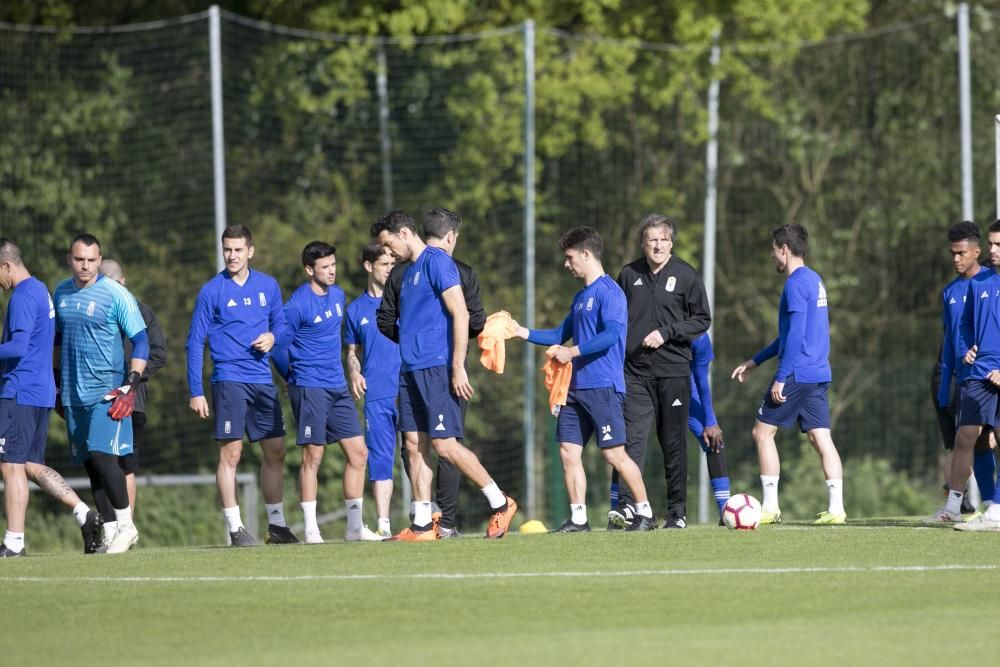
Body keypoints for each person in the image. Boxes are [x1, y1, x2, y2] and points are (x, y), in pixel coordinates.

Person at [370, 209, 516, 540]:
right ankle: (422, 525)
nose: (388, 252)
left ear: (405, 233)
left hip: (436, 367)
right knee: (412, 444)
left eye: (389, 244)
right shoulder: (407, 274)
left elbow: (461, 313)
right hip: (410, 370)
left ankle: (500, 501)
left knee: (445, 446)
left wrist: (457, 366)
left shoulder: (437, 262)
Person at [511, 226, 657, 532]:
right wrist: (519, 331)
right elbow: (557, 334)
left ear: (586, 254)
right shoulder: (580, 298)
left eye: (570, 257)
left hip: (603, 387)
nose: (566, 264)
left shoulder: (610, 292)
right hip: (574, 390)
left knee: (614, 454)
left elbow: (612, 334)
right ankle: (579, 519)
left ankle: (645, 513)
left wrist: (572, 352)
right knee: (568, 450)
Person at [186, 224, 294, 547]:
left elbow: (283, 327)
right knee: (231, 453)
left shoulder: (268, 286)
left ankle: (277, 526)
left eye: (237, 250)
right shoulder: (212, 290)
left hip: (262, 379)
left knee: (276, 451)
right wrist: (195, 390)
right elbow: (194, 342)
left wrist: (275, 342)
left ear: (251, 251)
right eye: (227, 250)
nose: (231, 256)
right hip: (228, 380)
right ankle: (235, 529)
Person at [731, 223, 845, 525]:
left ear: (784, 248)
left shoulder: (794, 284)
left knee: (762, 432)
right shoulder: (815, 280)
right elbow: (793, 335)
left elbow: (794, 337)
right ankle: (837, 510)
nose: (772, 257)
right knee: (821, 438)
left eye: (773, 250)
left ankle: (770, 507)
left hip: (797, 371)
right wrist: (756, 361)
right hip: (819, 371)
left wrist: (781, 376)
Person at [272, 241, 383, 543]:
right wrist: (290, 375)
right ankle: (311, 529)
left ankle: (354, 527)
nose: (332, 271)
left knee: (359, 454)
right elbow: (278, 347)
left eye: (333, 264)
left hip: (337, 386)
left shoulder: (338, 295)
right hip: (309, 387)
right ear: (310, 270)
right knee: (314, 456)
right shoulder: (296, 306)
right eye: (325, 267)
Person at [0, 238, 104, 557]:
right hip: (40, 392)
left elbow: (18, 347)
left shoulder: (21, 297)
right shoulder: (41, 289)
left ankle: (14, 542)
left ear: (6, 266)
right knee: (31, 464)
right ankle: (83, 513)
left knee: (9, 465)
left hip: (19, 391)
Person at [610, 214, 711, 529]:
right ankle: (630, 508)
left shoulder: (685, 275)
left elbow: (702, 319)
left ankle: (677, 512)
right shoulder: (628, 275)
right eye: (651, 239)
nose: (657, 244)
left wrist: (667, 332)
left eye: (663, 239)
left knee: (672, 443)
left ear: (671, 242)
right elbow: (614, 319)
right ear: (643, 243)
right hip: (635, 373)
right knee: (632, 442)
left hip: (673, 372)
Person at [54, 233, 149, 553]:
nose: (85, 265)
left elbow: (142, 341)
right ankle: (108, 529)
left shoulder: (116, 294)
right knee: (90, 463)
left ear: (99, 259)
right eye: (79, 259)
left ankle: (127, 525)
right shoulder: (61, 292)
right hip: (72, 392)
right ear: (70, 259)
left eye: (92, 260)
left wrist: (131, 384)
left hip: (107, 391)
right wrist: (56, 382)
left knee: (100, 452)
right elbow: (57, 342)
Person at [609, 332, 731, 528]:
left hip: (683, 394)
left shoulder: (698, 336)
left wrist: (709, 420)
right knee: (623, 447)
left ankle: (726, 510)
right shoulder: (642, 326)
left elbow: (701, 379)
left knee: (713, 439)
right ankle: (619, 512)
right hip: (642, 390)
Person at [931, 222, 994, 516]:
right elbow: (950, 340)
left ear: (975, 252)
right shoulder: (951, 292)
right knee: (971, 440)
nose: (955, 259)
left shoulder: (990, 280)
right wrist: (945, 388)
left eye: (960, 253)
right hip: (966, 378)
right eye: (952, 254)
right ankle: (966, 506)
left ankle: (994, 503)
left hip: (991, 373)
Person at [99, 259, 168, 514]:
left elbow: (159, 354)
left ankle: (125, 527)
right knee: (101, 461)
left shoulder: (142, 312)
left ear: (124, 282)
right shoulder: (93, 311)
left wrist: (132, 377)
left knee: (125, 465)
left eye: (116, 285)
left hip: (132, 401)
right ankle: (109, 526)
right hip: (99, 397)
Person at [947, 221, 1000, 531]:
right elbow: (965, 326)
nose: (992, 251)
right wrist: (966, 348)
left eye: (997, 245)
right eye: (991, 244)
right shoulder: (979, 285)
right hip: (979, 374)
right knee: (971, 438)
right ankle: (988, 504)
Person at [346, 242, 401, 538]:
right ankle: (384, 525)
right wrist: (354, 370)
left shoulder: (406, 300)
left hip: (408, 388)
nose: (390, 270)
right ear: (369, 266)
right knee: (380, 459)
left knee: (420, 452)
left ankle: (426, 516)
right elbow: (352, 352)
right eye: (384, 265)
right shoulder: (355, 310)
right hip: (377, 394)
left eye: (393, 264)